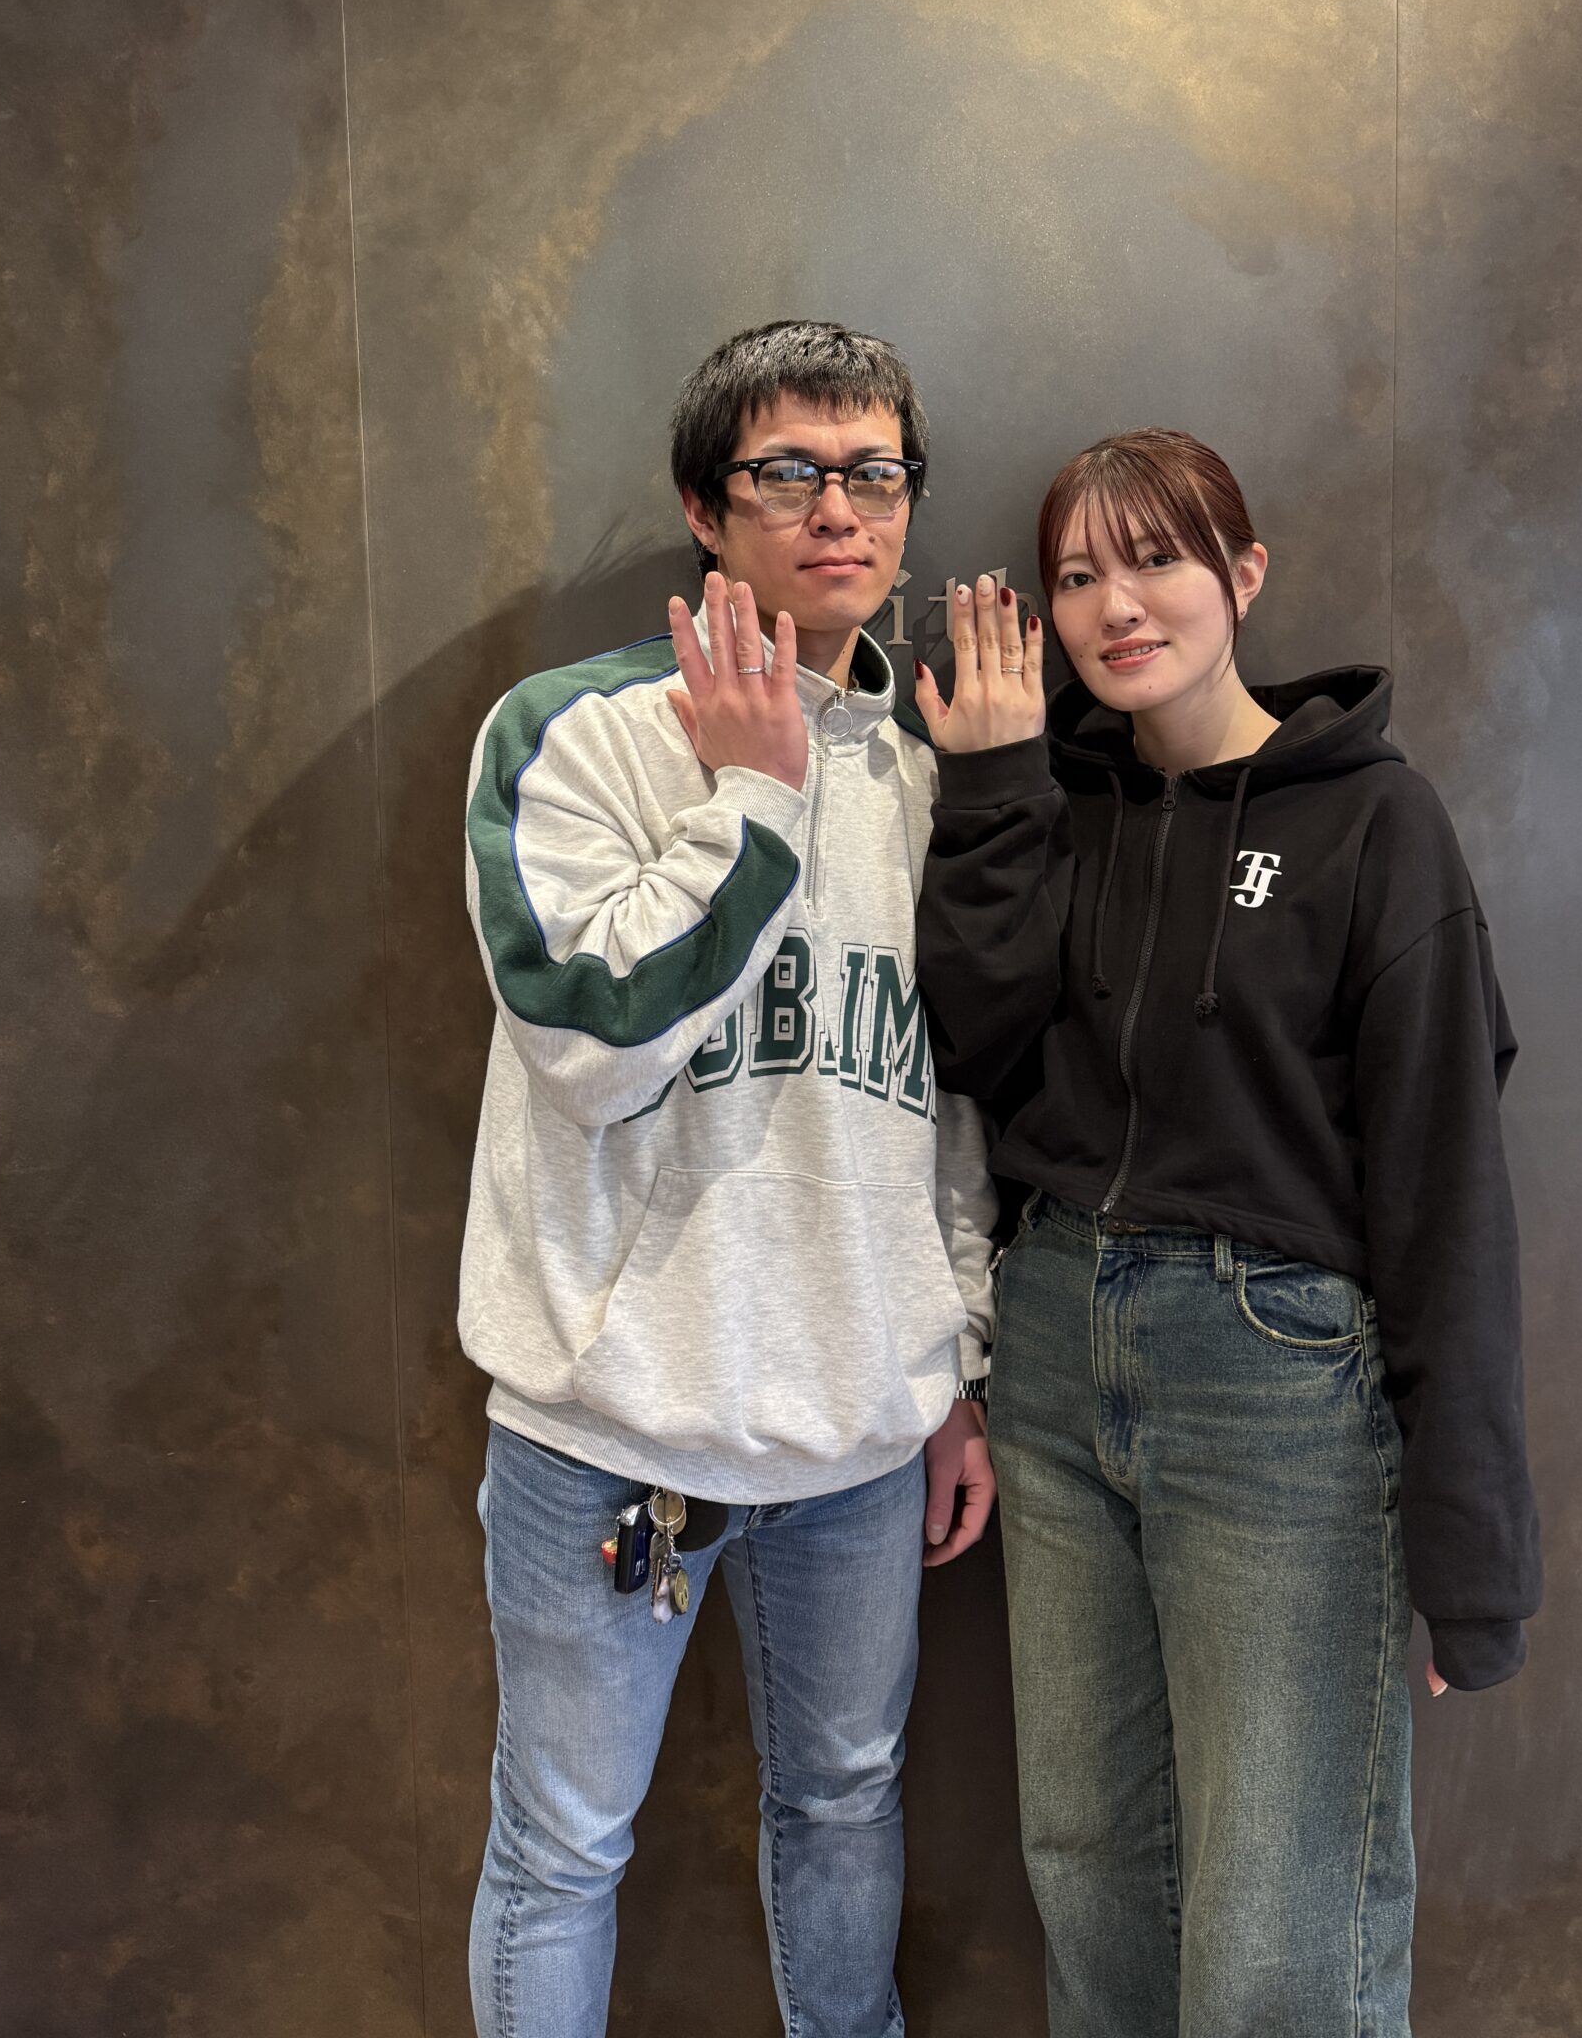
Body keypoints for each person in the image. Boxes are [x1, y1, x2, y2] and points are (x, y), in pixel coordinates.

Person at [911, 427, 1541, 2038]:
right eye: (1077, 576)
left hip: (1275, 1381)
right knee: (1092, 1877)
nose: (1117, 606)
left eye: (1157, 560)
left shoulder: (1377, 826)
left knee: (1279, 1921)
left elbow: (1446, 1191)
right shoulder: (1054, 802)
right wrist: (992, 791)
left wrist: (1473, 1561)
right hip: (1056, 1354)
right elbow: (969, 1045)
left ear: (1243, 575)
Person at [459, 320, 998, 2038]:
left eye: (876, 472)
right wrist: (756, 797)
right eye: (790, 471)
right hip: (609, 1433)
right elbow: (593, 1044)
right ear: (707, 506)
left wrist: (956, 1369)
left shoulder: (926, 776)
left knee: (845, 1807)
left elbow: (952, 1107)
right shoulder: (575, 732)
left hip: (861, 1441)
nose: (841, 508)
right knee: (564, 1849)